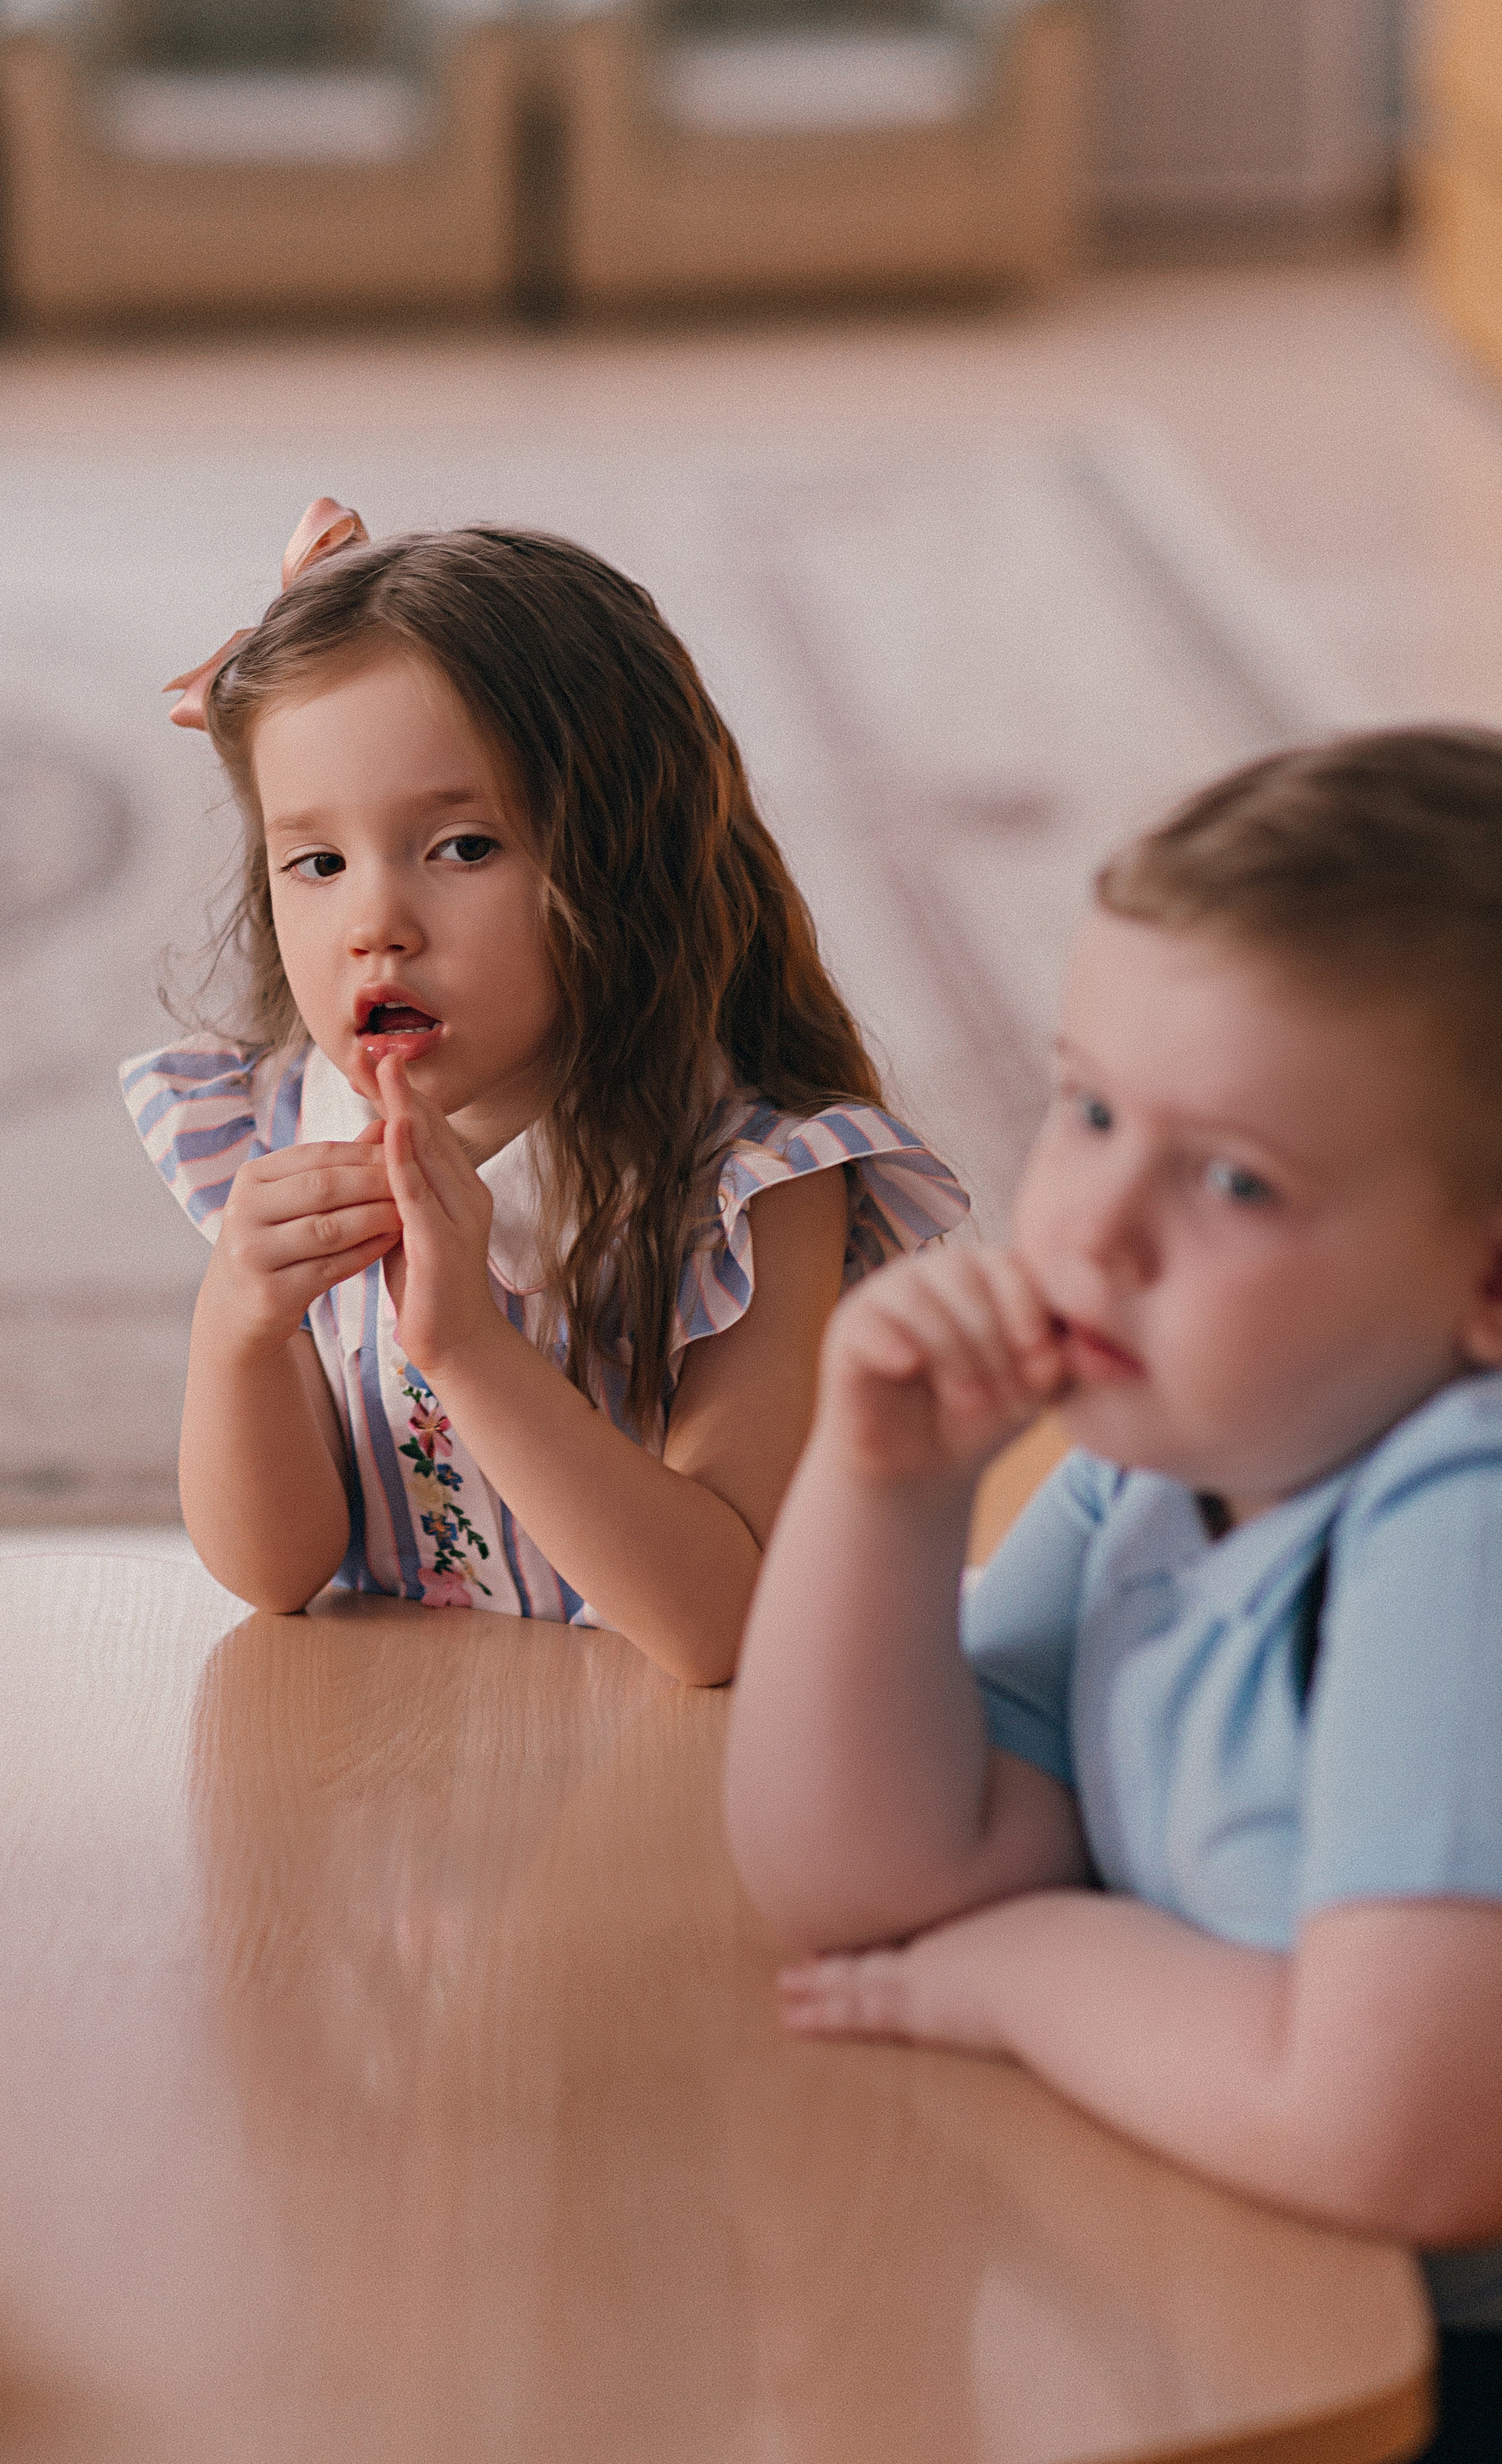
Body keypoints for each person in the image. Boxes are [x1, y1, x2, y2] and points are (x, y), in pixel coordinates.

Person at [724, 728, 1502, 2458]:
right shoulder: (1166, 1455)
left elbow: (1397, 2138)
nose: (1090, 1232)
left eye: (1230, 1179)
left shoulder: (1465, 1520)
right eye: (1084, 1110)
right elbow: (869, 1885)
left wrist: (1022, 1973)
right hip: (1246, 2286)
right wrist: (885, 1495)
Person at [122, 499, 966, 1687]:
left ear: (626, 862)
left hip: (663, 1762)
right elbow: (276, 1572)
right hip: (392, 1746)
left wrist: (467, 1345)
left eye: (463, 848)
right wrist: (238, 1331)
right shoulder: (280, 1129)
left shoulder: (749, 1189)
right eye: (317, 862)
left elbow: (721, 1625)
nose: (374, 924)